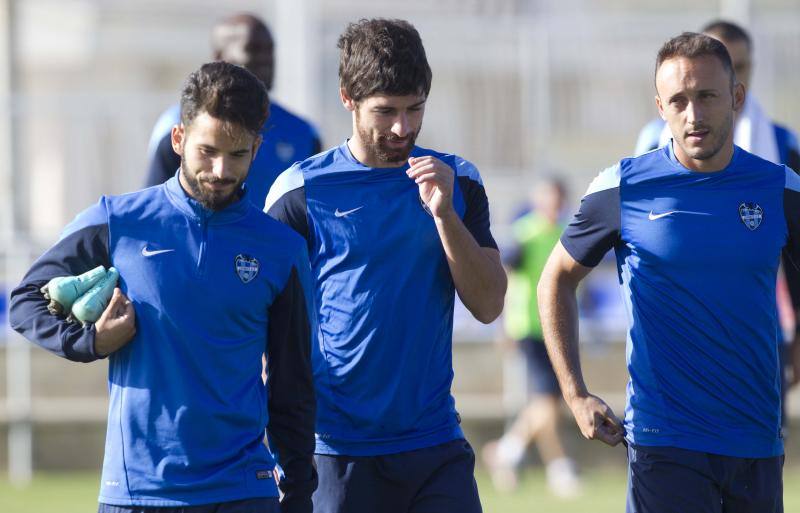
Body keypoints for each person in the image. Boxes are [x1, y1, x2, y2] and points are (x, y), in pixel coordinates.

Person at [10, 62, 317, 513]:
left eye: (237, 154)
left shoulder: (282, 250)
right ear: (178, 140)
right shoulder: (119, 220)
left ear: (257, 147)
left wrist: (298, 496)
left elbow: (292, 387)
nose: (220, 169)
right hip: (136, 492)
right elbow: (25, 300)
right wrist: (92, 341)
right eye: (207, 150)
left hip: (243, 491)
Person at [539, 32, 795, 512]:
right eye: (678, 100)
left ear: (737, 97)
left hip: (756, 441)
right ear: (660, 106)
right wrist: (574, 395)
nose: (693, 115)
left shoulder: (779, 187)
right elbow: (556, 278)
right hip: (664, 442)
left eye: (707, 96)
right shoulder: (623, 187)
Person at [265, 18, 506, 513]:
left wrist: (444, 216)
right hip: (334, 451)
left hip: (434, 445)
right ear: (348, 99)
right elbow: (262, 328)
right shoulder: (299, 193)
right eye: (386, 111)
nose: (403, 128)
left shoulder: (457, 181)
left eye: (415, 109)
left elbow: (488, 304)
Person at [635, 19, 800, 430]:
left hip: (760, 335)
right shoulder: (651, 146)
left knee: (757, 466)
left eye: (740, 66)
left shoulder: (782, 146)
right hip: (672, 346)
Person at [145, 13, 321, 208]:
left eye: (269, 50)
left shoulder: (302, 132)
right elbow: (157, 205)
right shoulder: (177, 123)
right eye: (252, 49)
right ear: (219, 58)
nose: (265, 59)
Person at [482, 177, 582, 497]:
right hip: (527, 326)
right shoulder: (524, 233)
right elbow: (506, 278)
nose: (553, 205)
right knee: (550, 399)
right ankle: (557, 469)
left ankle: (508, 453)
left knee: (548, 402)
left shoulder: (565, 232)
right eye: (547, 198)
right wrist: (501, 326)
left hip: (556, 327)